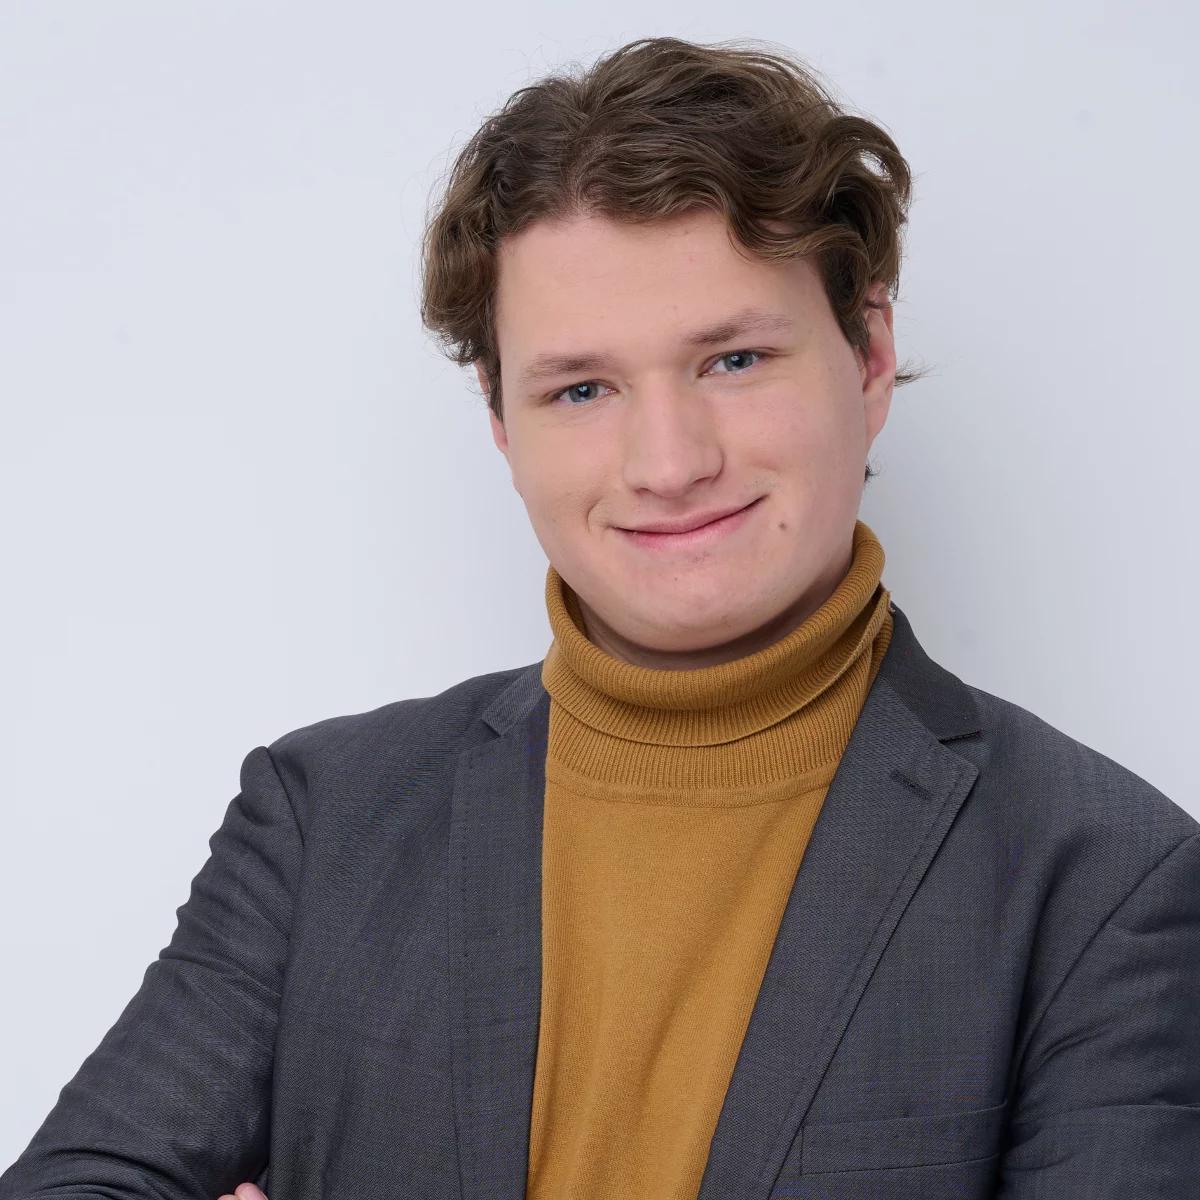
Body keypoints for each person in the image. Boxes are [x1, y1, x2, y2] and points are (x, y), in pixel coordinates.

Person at [2, 34, 1198, 1200]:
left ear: (869, 355)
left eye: (733, 360)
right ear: (500, 419)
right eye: (582, 388)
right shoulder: (324, 818)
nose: (668, 464)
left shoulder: (1105, 878)